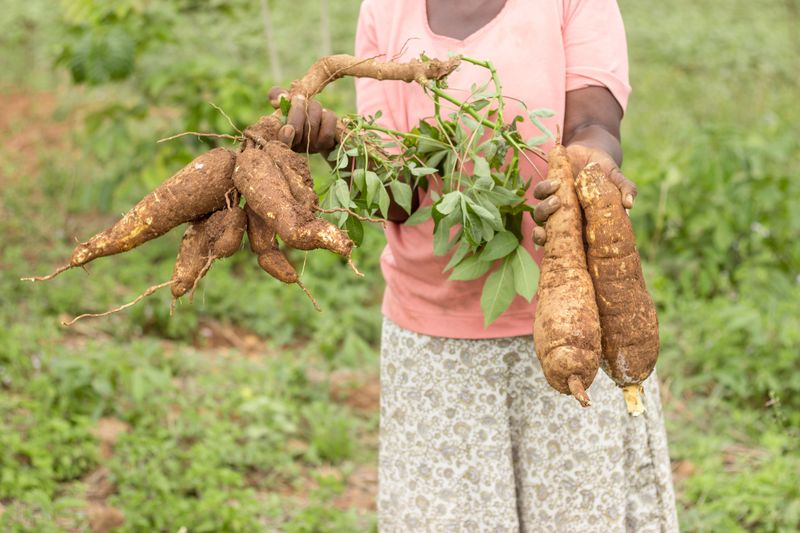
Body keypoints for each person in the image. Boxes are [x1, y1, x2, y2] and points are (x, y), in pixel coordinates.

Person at [270, 1, 679, 531]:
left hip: (574, 323)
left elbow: (595, 125)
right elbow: (400, 194)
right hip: (434, 341)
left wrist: (589, 168)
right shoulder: (385, 10)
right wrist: (337, 145)